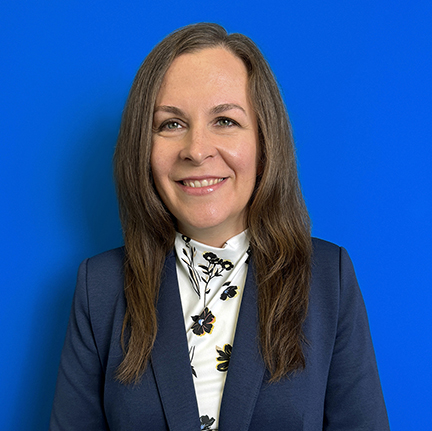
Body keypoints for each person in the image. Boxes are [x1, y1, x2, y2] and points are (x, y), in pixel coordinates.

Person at [50, 23, 390, 430]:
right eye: (171, 124)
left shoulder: (327, 278)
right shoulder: (99, 288)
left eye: (225, 121)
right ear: (143, 146)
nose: (196, 150)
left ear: (264, 141)